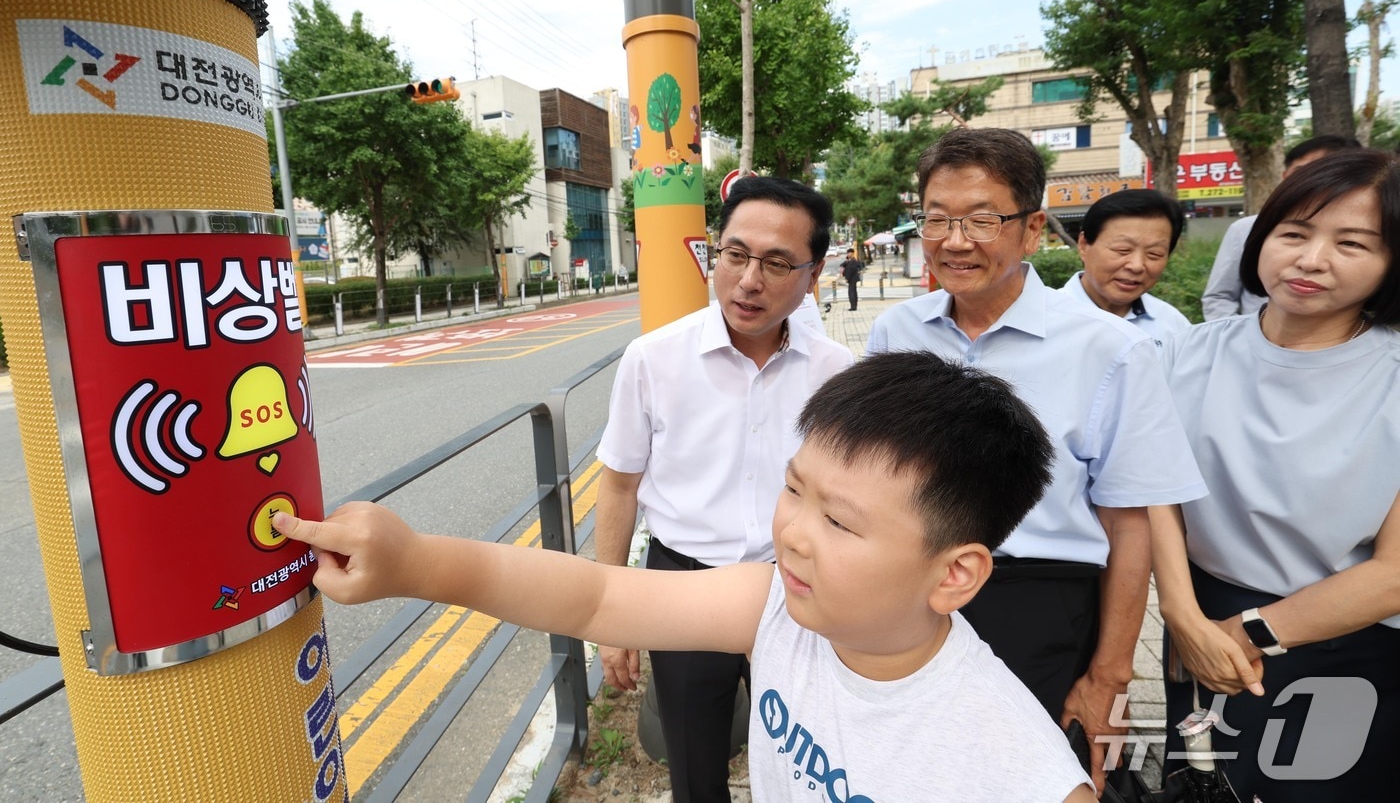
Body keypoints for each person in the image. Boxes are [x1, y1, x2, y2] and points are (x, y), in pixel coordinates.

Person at [272, 352, 1095, 802]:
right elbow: (599, 595)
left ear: (955, 574)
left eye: (839, 521)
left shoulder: (1014, 765)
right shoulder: (773, 603)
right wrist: (414, 560)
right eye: (793, 489)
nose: (793, 535)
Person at [866, 127, 1207, 792]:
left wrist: (1110, 673)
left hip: (1038, 605)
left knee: (1024, 778)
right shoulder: (896, 332)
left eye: (982, 219)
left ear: (1031, 230)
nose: (954, 240)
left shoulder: (1109, 350)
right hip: (910, 590)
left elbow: (1129, 521)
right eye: (937, 218)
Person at [594, 175, 853, 802]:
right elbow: (620, 487)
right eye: (734, 254)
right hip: (682, 583)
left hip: (796, 586)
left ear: (813, 274)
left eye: (777, 262)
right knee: (694, 763)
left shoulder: (839, 375)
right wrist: (613, 615)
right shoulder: (653, 360)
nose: (748, 280)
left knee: (811, 760)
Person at [1151, 148, 1400, 801]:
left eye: (1352, 243)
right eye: (1294, 232)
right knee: (1202, 781)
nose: (1311, 259)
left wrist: (1252, 631)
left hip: (1343, 637)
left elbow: (1394, 572)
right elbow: (1156, 494)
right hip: (1200, 622)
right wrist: (1181, 614)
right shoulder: (1186, 351)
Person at [1201, 134, 1361, 320]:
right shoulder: (1246, 229)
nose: (1310, 263)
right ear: (1285, 177)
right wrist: (1236, 341)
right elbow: (1218, 297)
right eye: (1302, 172)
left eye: (1349, 243)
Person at [1063, 188, 1191, 346]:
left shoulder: (1175, 327)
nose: (1137, 266)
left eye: (1154, 254)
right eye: (1122, 250)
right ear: (1084, 245)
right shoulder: (1045, 321)